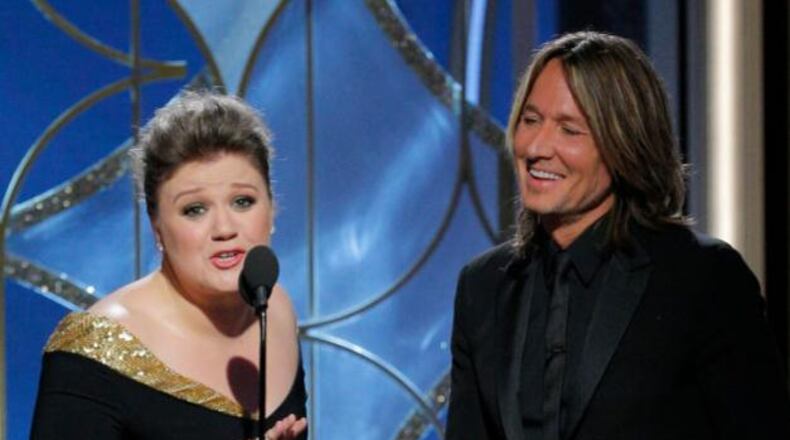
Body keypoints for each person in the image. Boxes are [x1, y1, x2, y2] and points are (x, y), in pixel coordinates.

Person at [446, 31, 789, 440]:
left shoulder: (702, 279)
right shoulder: (483, 286)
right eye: (530, 119)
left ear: (624, 144)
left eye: (569, 130)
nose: (537, 147)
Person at [31, 91, 308, 440]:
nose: (224, 228)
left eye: (243, 201)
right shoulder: (91, 354)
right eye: (195, 209)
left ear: (272, 209)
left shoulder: (277, 309)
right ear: (156, 225)